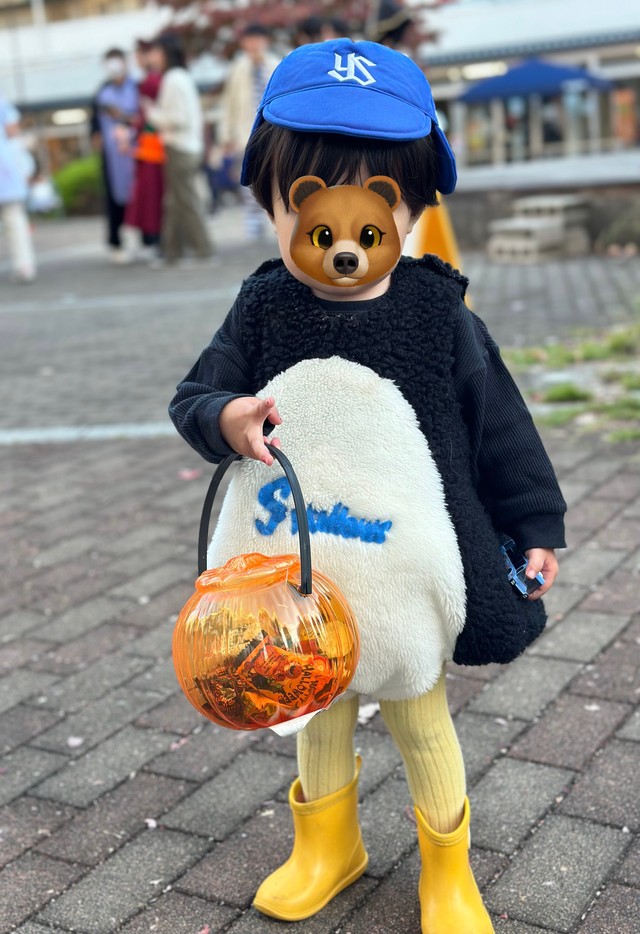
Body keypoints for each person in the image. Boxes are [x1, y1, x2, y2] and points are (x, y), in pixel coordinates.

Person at [169, 39, 566, 932]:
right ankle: (328, 845)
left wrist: (533, 522)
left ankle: (447, 867)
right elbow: (197, 393)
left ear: (413, 207)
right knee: (319, 708)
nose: (345, 240)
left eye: (378, 204)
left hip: (404, 574)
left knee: (421, 718)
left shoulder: (437, 312)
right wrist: (227, 416)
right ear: (275, 201)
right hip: (301, 576)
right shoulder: (265, 305)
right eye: (311, 204)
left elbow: (500, 425)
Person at [144, 34, 213, 264]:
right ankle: (172, 252)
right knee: (175, 202)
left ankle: (203, 250)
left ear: (165, 53)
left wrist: (151, 112)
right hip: (185, 146)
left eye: (156, 51)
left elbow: (178, 118)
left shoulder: (173, 79)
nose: (152, 57)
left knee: (184, 201)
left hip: (179, 146)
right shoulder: (180, 77)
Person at [219, 24, 279, 240]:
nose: (253, 45)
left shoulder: (275, 64)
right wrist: (226, 135)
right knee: (248, 176)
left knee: (273, 176)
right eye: (249, 40)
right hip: (244, 131)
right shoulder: (237, 68)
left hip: (271, 132)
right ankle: (253, 222)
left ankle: (273, 217)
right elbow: (229, 104)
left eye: (257, 39)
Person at [91, 48, 139, 262]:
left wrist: (123, 117)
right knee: (114, 200)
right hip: (112, 157)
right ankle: (116, 242)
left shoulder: (137, 87)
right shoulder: (101, 92)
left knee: (140, 195)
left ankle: (148, 239)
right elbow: (94, 125)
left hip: (137, 152)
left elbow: (141, 117)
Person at [124, 39, 164, 257]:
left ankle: (157, 240)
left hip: (156, 148)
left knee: (152, 197)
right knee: (149, 197)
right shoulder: (150, 79)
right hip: (149, 147)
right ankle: (153, 239)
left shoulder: (156, 80)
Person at [0, 96, 36, 282]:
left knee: (14, 219)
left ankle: (24, 266)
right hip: (6, 174)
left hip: (6, 175)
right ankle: (24, 265)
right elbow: (12, 129)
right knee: (14, 220)